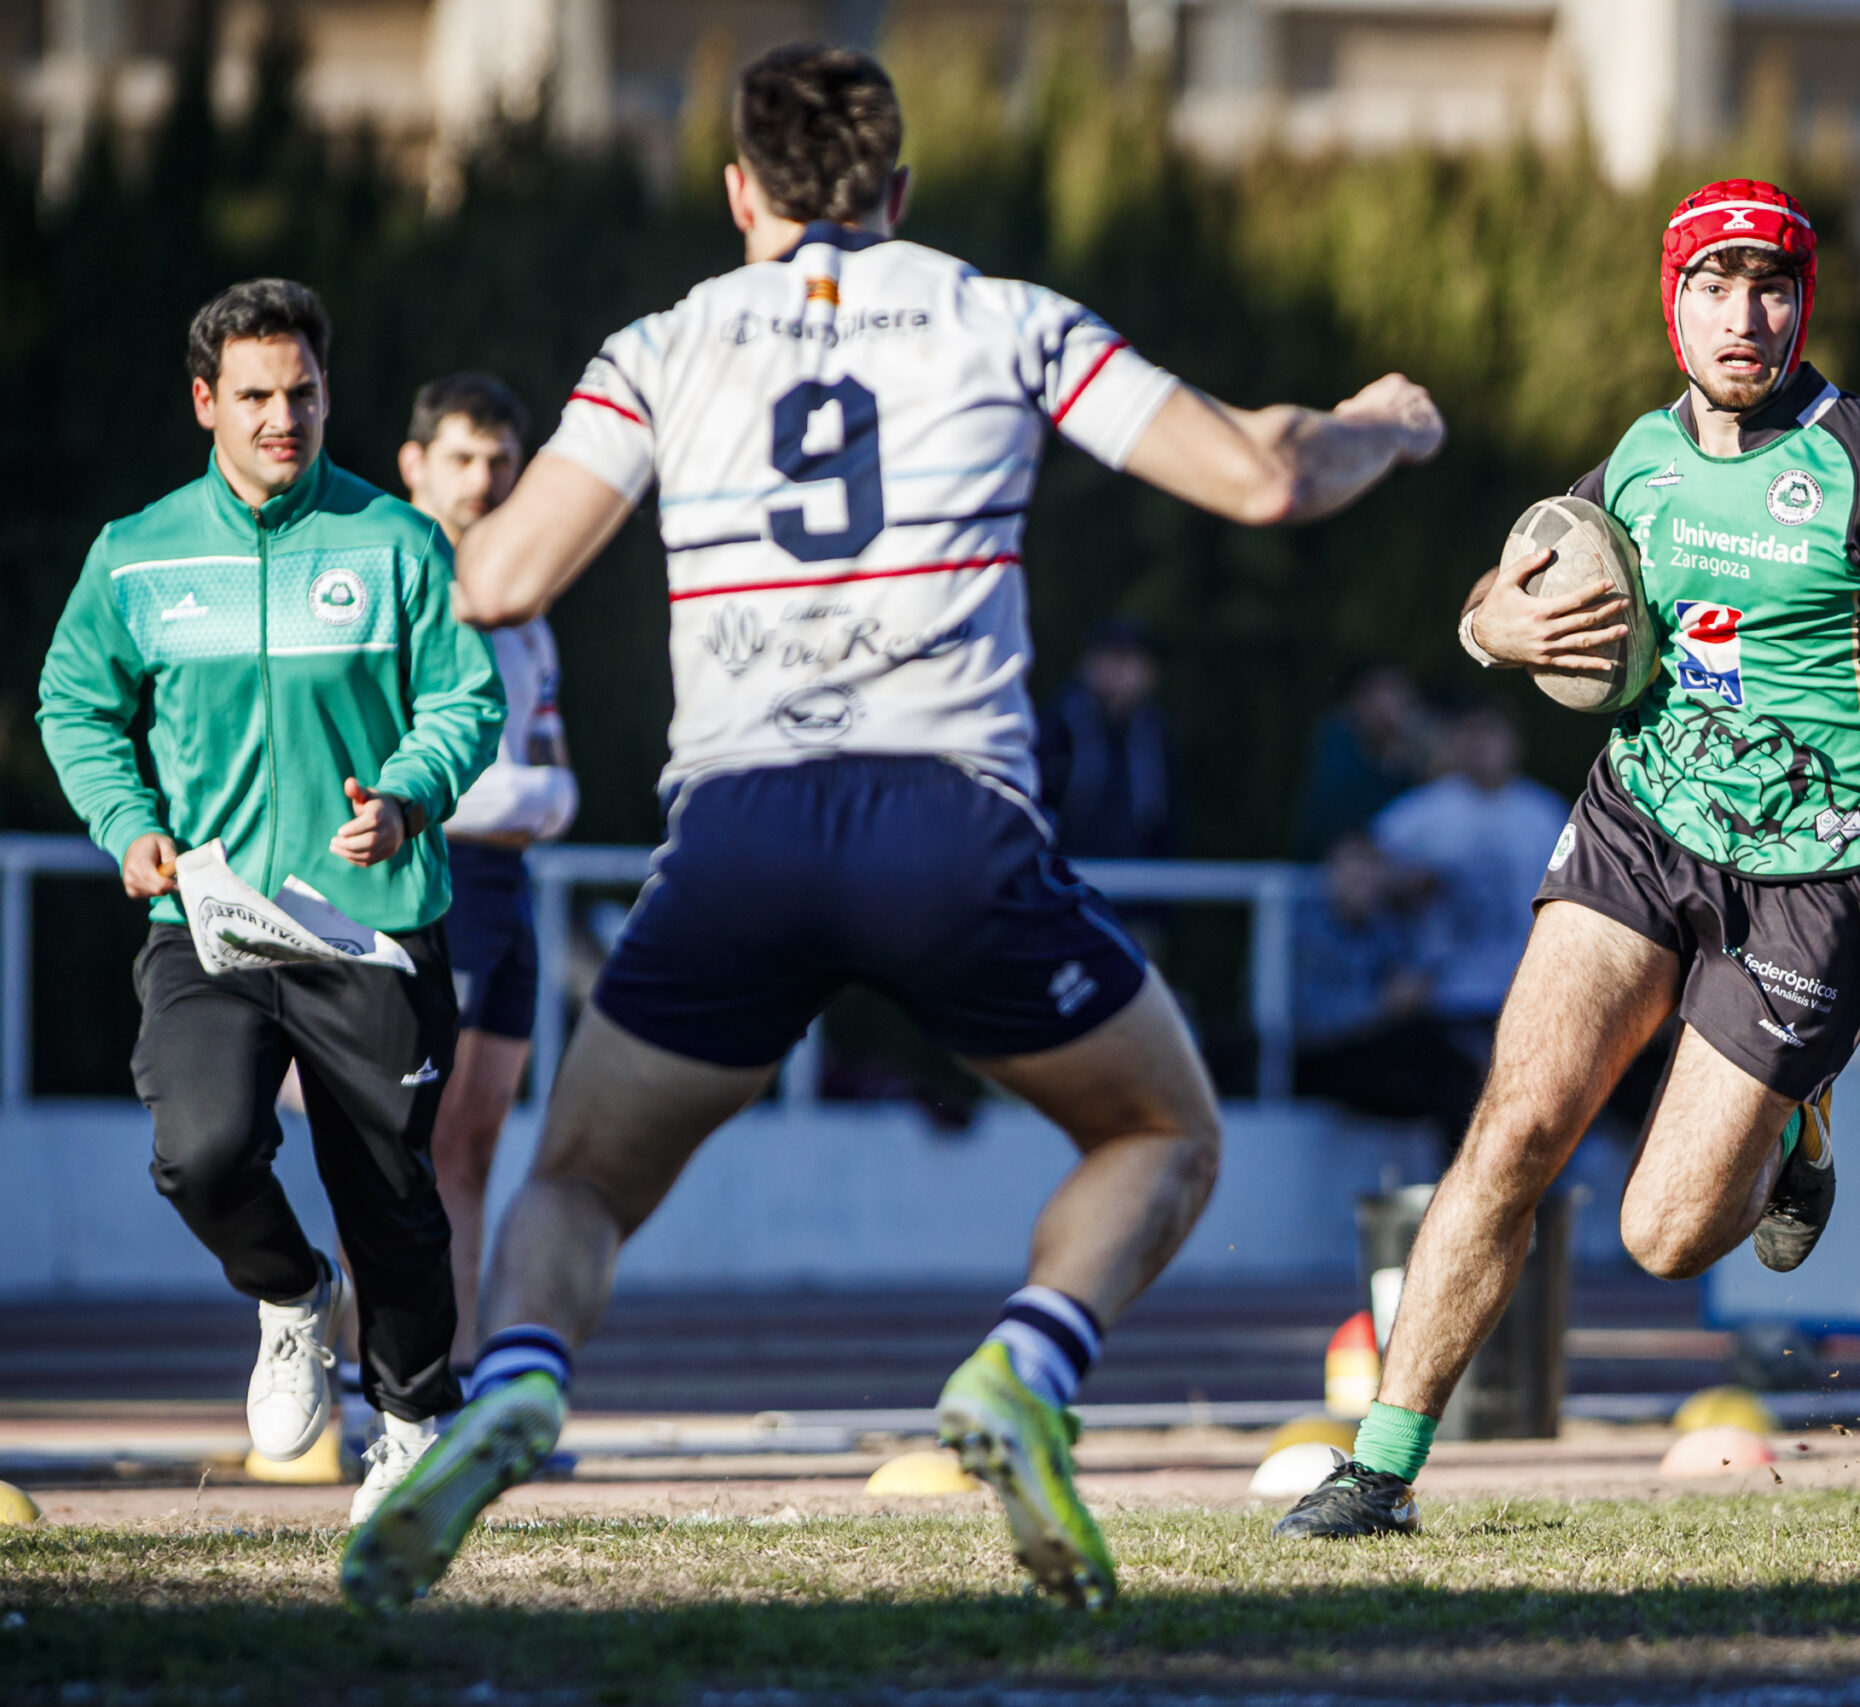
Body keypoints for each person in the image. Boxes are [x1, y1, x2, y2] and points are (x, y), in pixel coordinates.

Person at [342, 42, 1442, 1613]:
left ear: (739, 193)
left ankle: (512, 1380)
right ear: (899, 191)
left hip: (738, 834)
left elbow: (500, 577)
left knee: (577, 1181)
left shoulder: (658, 344)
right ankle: (1022, 1366)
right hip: (950, 827)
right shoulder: (999, 313)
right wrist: (1382, 422)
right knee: (1162, 1130)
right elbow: (1263, 478)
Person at [1274, 179, 1860, 1538]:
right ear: (1674, 303)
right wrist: (1490, 635)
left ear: (1801, 303)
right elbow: (1504, 588)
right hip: (1641, 829)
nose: (1743, 314)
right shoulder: (1638, 458)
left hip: (1816, 880)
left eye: (1770, 287)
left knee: (1661, 1232)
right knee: (1513, 1129)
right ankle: (1381, 1468)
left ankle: (1799, 1123)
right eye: (1714, 285)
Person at [36, 279, 503, 1524]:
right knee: (198, 1151)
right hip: (210, 923)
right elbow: (75, 706)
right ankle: (293, 1298)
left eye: (302, 392)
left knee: (389, 1189)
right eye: (254, 396)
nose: (282, 417)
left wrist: (406, 794)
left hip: (374, 922)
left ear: (326, 393)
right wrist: (129, 826)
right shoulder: (138, 554)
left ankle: (410, 1426)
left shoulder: (399, 542)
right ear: (206, 404)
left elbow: (467, 700)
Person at [395, 373, 579, 1363]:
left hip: (506, 893)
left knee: (474, 1145)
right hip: (431, 876)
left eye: (502, 460)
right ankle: (371, 1379)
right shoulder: (400, 589)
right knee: (400, 1144)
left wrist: (531, 798)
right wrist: (516, 798)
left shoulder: (522, 604)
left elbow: (552, 778)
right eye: (461, 457)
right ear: (415, 464)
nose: (482, 479)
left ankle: (453, 1371)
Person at [1369, 699, 1570, 1064]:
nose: (1481, 744)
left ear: (1513, 741)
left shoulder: (1545, 813)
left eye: (1491, 732)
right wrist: (1403, 887)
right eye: (1471, 733)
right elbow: (1362, 874)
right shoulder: (1419, 813)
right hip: (1443, 993)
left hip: (1526, 990)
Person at [1290, 831, 1482, 1149]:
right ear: (1332, 875)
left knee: (1456, 1083)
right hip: (1326, 1061)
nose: (1362, 884)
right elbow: (1313, 1020)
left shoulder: (1387, 930)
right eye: (1353, 874)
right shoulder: (1306, 934)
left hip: (1379, 1058)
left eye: (1370, 875)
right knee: (1438, 1057)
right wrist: (1383, 1004)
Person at [1036, 618, 1176, 863]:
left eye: (1129, 661)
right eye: (1110, 658)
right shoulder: (1057, 725)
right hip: (1069, 877)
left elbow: (1168, 818)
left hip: (1142, 879)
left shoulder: (1156, 732)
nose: (1118, 672)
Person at [1291, 661, 1432, 858]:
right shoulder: (1336, 741)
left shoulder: (1411, 750)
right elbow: (1334, 814)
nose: (1397, 703)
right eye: (1386, 691)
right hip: (1335, 860)